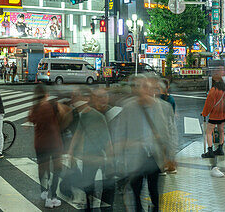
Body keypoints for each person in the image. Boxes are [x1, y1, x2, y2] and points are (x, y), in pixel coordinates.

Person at [114, 77, 176, 211]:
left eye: (147, 87)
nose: (145, 91)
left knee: (154, 189)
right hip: (135, 156)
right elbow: (120, 132)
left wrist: (171, 156)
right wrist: (119, 158)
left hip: (154, 155)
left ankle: (155, 207)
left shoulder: (163, 107)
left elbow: (170, 132)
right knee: (136, 190)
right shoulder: (128, 107)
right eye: (141, 87)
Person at [66, 88, 113, 212]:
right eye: (99, 97)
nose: (102, 100)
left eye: (104, 96)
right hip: (89, 155)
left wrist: (111, 159)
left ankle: (100, 208)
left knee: (104, 186)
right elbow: (78, 133)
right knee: (89, 185)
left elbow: (107, 140)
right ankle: (90, 207)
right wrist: (70, 153)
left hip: (99, 156)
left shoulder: (99, 115)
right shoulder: (85, 114)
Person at [28, 84, 63, 208]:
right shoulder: (50, 106)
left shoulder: (35, 107)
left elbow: (31, 119)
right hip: (52, 142)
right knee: (57, 169)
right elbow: (62, 117)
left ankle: (43, 191)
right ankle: (51, 197)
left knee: (43, 168)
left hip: (39, 143)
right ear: (45, 94)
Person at [200, 76, 225, 170]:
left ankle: (210, 150)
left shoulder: (213, 90)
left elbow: (209, 104)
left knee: (209, 132)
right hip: (223, 114)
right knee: (221, 131)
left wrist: (204, 113)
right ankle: (220, 148)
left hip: (214, 114)